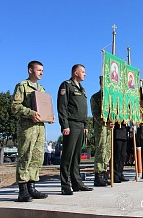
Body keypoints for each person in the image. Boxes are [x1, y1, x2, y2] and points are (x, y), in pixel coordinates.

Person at [12, 60, 54, 202]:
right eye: (38, 70)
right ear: (30, 70)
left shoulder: (41, 89)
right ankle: (22, 190)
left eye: (42, 70)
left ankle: (32, 187)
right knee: (25, 156)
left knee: (37, 157)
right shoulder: (22, 86)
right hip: (27, 128)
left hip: (40, 128)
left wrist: (49, 116)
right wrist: (31, 113)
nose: (41, 73)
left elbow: (44, 108)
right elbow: (15, 107)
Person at [57, 64, 93, 195]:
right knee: (68, 155)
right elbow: (62, 106)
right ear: (75, 73)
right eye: (83, 72)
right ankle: (65, 185)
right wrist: (64, 125)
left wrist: (86, 125)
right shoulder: (66, 85)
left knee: (77, 156)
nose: (85, 74)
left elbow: (83, 110)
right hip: (71, 125)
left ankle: (77, 183)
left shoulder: (82, 89)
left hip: (81, 125)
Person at [90, 76, 113, 186]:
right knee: (101, 151)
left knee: (107, 151)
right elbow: (95, 114)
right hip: (101, 127)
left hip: (109, 128)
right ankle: (98, 175)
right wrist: (105, 123)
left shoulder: (111, 97)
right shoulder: (95, 97)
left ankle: (104, 173)